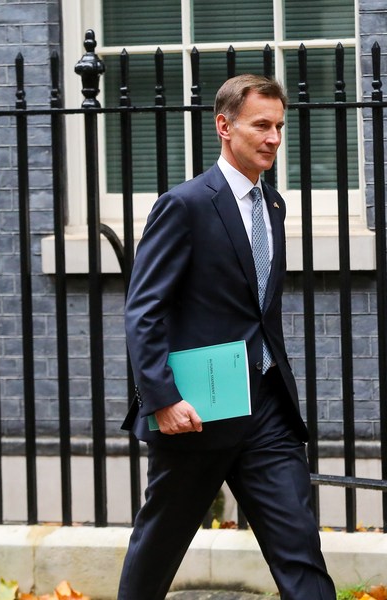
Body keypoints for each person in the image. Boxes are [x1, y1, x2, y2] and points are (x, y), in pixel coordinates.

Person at [118, 74, 336, 600]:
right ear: (224, 126)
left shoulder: (274, 205)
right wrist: (163, 398)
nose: (273, 138)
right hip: (198, 411)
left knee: (300, 548)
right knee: (159, 548)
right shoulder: (185, 205)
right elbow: (144, 308)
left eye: (279, 126)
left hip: (268, 410)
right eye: (261, 125)